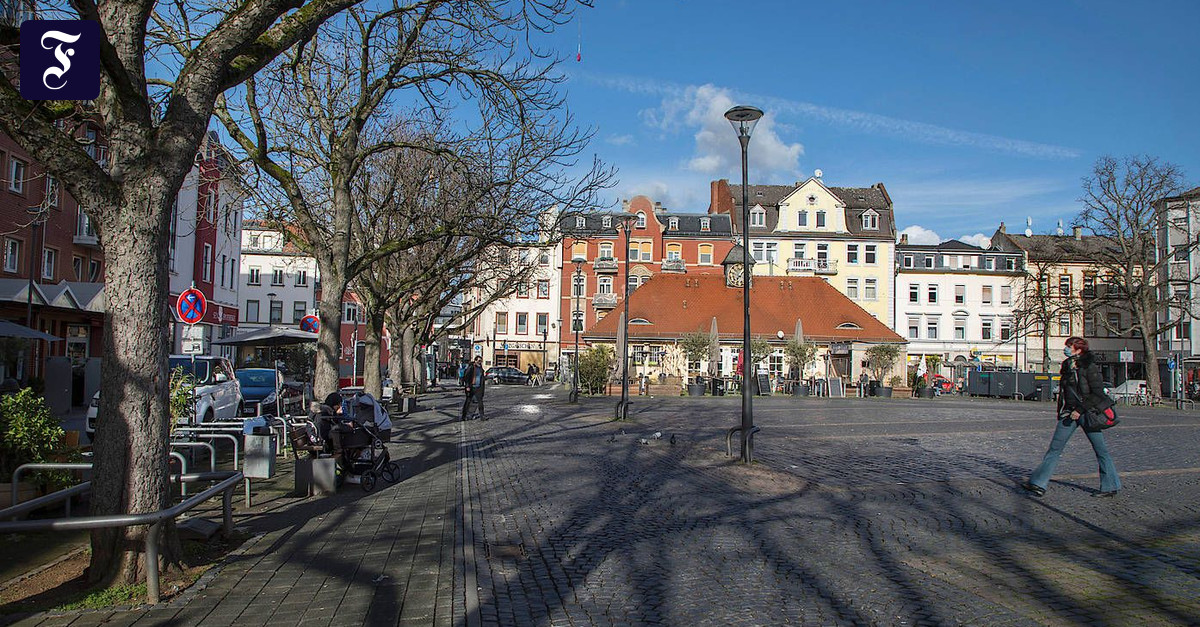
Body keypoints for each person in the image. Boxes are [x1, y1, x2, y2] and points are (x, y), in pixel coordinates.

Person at [1024, 337, 1121, 498]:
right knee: (1055, 448)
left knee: (1101, 450)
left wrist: (1080, 409)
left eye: (1069, 346)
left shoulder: (1089, 367)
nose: (1066, 349)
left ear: (1079, 349)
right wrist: (1063, 410)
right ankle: (1038, 483)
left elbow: (1097, 393)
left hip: (1088, 414)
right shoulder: (1067, 365)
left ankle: (1110, 485)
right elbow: (1065, 392)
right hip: (1068, 413)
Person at [461, 356, 487, 421]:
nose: (480, 362)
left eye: (481, 361)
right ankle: (464, 416)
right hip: (471, 387)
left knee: (480, 402)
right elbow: (466, 377)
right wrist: (467, 386)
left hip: (478, 387)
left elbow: (482, 378)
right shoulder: (471, 367)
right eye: (478, 361)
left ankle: (482, 416)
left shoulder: (481, 369)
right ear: (475, 361)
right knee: (468, 401)